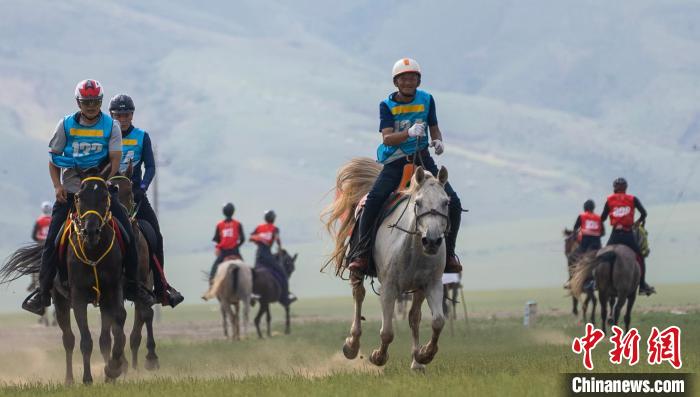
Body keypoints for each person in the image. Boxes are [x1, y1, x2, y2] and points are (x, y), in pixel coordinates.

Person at [22, 79, 154, 315]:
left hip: (101, 190)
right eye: (86, 102)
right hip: (72, 190)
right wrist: (57, 186)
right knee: (52, 240)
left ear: (101, 102)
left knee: (129, 233)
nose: (91, 106)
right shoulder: (65, 125)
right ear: (78, 102)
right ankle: (42, 293)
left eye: (95, 102)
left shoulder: (110, 126)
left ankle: (134, 286)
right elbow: (53, 159)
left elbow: (115, 160)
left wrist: (100, 181)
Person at [347, 58, 463, 274]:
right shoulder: (387, 105)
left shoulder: (427, 100)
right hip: (395, 161)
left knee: (453, 202)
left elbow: (434, 127)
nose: (408, 82)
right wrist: (408, 133)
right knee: (372, 201)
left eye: (412, 78)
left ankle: (449, 255)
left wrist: (438, 141)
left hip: (422, 158)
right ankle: (361, 254)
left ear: (418, 81)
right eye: (404, 78)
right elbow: (387, 139)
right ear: (396, 82)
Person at [109, 94, 183, 307]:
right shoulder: (106, 136)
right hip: (109, 196)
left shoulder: (142, 136)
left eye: (126, 114)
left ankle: (161, 289)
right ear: (111, 115)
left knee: (156, 236)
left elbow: (150, 166)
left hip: (134, 197)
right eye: (118, 115)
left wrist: (142, 187)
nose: (123, 119)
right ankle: (64, 282)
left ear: (132, 115)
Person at [600, 177, 655, 295]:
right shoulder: (633, 199)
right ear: (626, 188)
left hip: (615, 234)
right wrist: (638, 222)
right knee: (639, 257)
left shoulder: (609, 200)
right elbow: (644, 213)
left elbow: (603, 218)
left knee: (603, 256)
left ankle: (597, 281)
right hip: (628, 234)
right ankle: (642, 285)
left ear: (614, 188)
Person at [250, 210, 296, 304]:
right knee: (282, 274)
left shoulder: (259, 228)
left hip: (258, 256)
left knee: (253, 274)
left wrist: (259, 239)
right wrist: (279, 251)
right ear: (273, 219)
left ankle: (251, 294)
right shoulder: (275, 229)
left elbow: (251, 238)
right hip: (267, 256)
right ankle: (286, 296)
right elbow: (278, 241)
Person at [209, 202, 245, 281]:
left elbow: (217, 240)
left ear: (223, 212)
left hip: (223, 253)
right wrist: (236, 246)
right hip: (235, 252)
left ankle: (211, 290)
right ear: (233, 211)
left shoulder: (219, 225)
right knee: (245, 272)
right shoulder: (238, 224)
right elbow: (242, 239)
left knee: (212, 275)